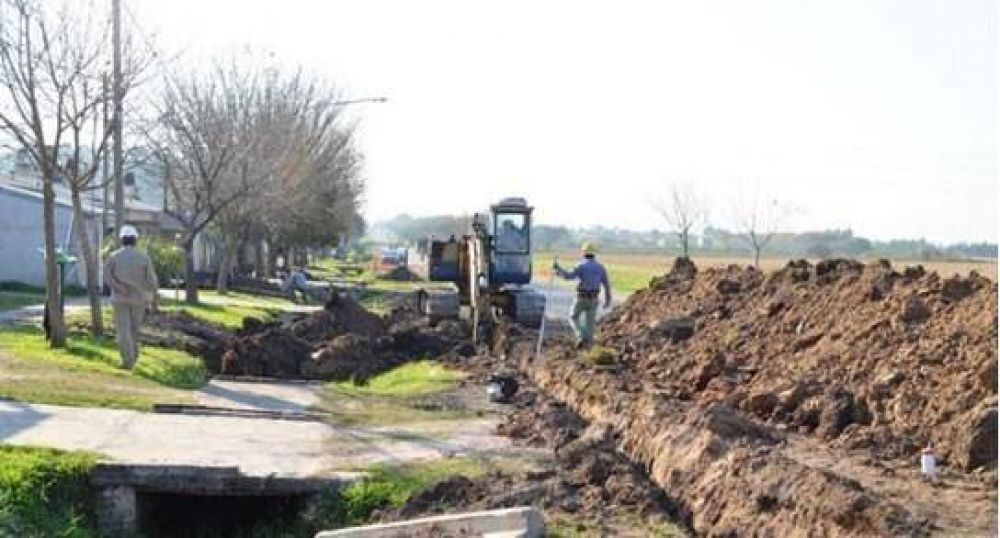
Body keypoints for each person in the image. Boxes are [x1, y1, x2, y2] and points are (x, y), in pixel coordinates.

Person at [105, 225, 158, 370]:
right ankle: (133, 357)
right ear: (135, 240)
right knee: (134, 330)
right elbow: (152, 280)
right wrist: (154, 300)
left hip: (120, 299)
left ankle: (128, 361)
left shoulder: (114, 256)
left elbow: (107, 277)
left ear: (122, 239)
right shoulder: (144, 257)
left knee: (123, 331)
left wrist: (117, 287)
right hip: (139, 300)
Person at [553, 242, 612, 348]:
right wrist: (608, 299)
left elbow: (568, 276)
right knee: (590, 323)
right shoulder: (601, 267)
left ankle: (580, 336)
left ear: (583, 253)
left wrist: (558, 270)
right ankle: (589, 346)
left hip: (581, 297)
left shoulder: (581, 266)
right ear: (594, 254)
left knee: (573, 317)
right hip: (594, 298)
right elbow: (607, 285)